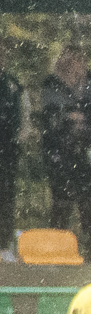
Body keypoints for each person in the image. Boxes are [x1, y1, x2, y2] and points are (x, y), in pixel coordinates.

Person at [39, 46, 91, 259]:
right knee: (61, 201)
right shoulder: (52, 84)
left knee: (88, 201)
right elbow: (51, 112)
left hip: (88, 150)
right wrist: (70, 115)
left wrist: (81, 115)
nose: (77, 65)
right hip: (62, 150)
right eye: (72, 61)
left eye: (80, 61)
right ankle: (57, 249)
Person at [0, 51, 21, 260]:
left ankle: (4, 245)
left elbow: (22, 119)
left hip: (6, 151)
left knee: (6, 198)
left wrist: (17, 140)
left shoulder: (12, 84)